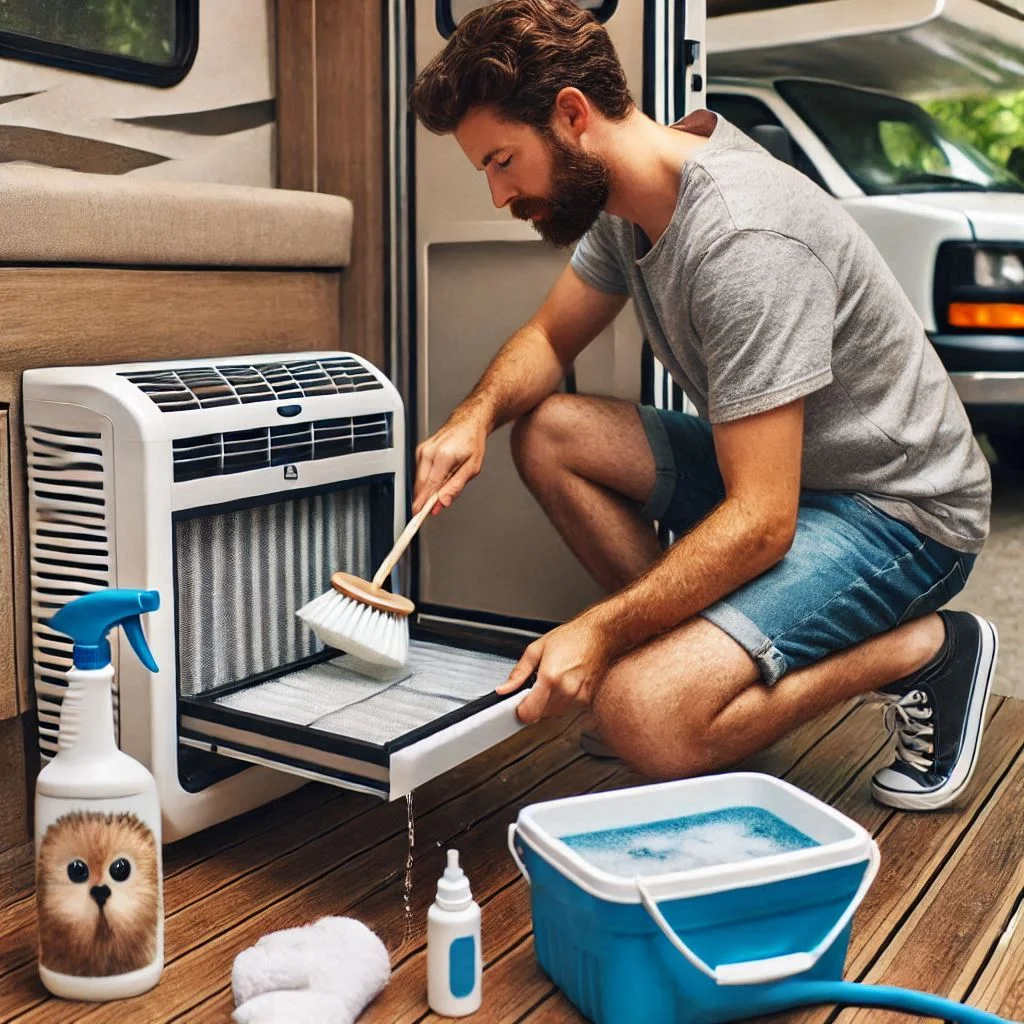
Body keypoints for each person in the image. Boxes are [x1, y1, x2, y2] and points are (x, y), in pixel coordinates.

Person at [407, 0, 997, 810]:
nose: (499, 191)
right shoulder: (631, 200)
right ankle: (713, 670)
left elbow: (762, 521)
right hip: (792, 482)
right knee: (546, 432)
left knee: (644, 714)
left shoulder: (745, 240)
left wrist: (602, 633)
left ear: (572, 117)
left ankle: (928, 650)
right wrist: (473, 415)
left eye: (502, 160)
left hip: (899, 513)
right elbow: (547, 339)